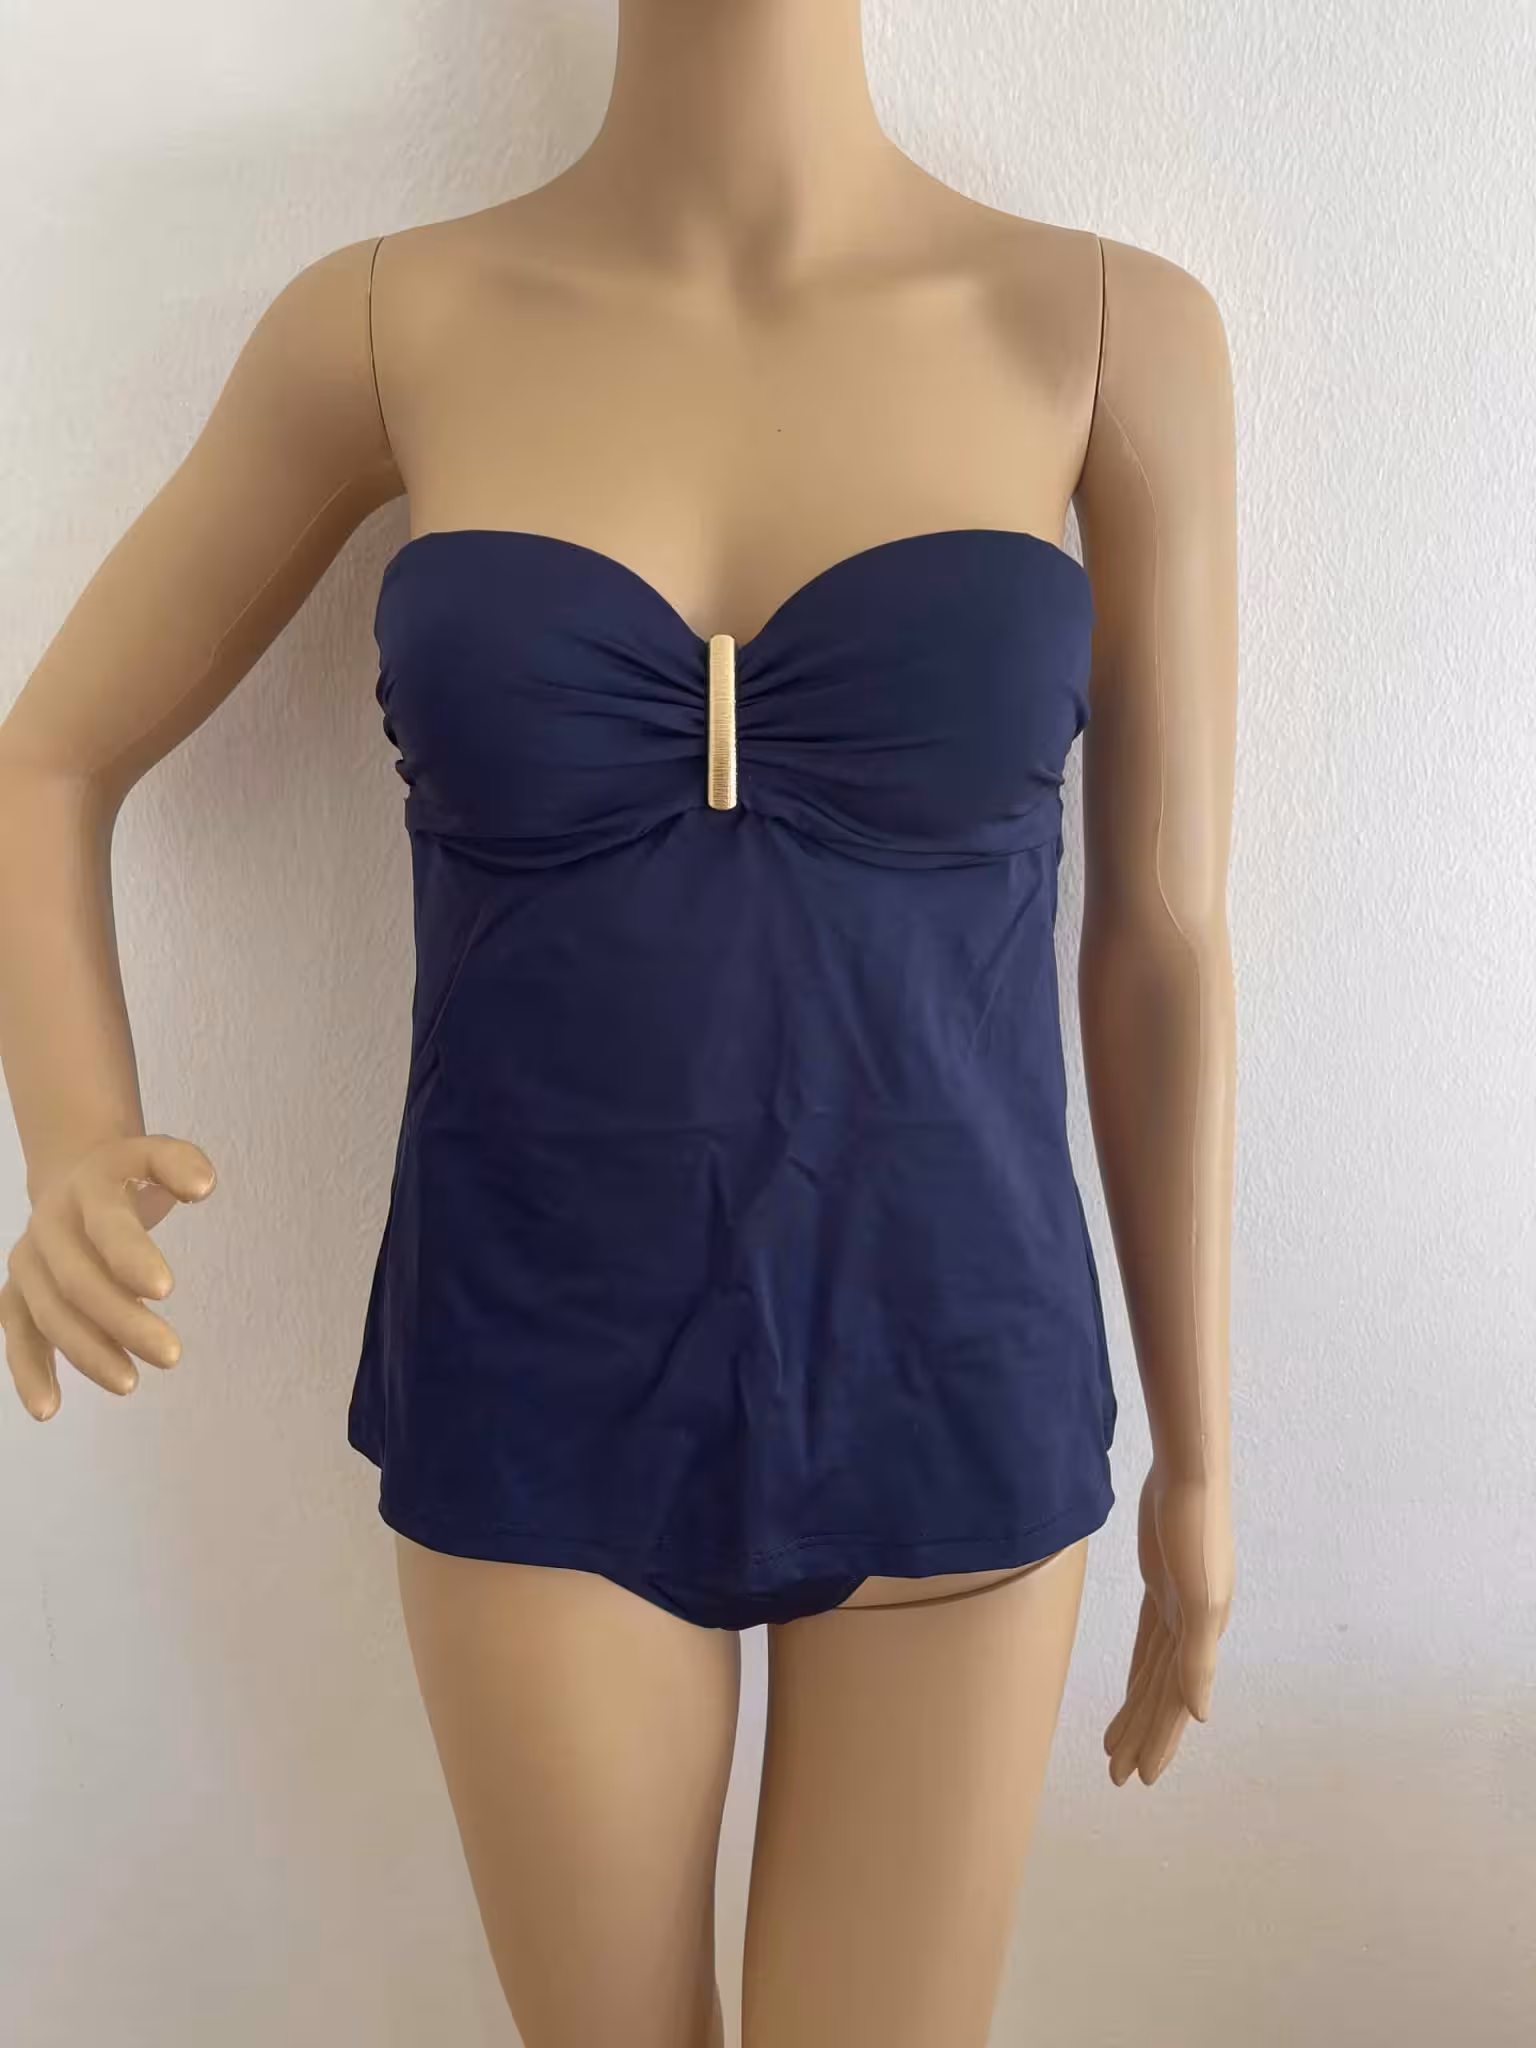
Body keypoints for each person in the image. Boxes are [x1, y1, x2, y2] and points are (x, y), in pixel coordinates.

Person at [0, 3, 1237, 2043]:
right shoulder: (386, 325)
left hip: (953, 1361)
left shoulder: (1110, 330)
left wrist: (1199, 1454)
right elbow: (44, 761)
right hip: (532, 1371)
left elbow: (1165, 937)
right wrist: (69, 1139)